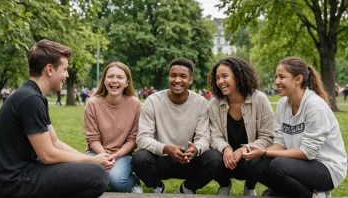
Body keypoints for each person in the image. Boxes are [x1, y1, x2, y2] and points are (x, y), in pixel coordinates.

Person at [0, 39, 114, 198]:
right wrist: (92, 161)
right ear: (49, 69)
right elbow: (48, 155)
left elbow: (55, 142)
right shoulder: (30, 99)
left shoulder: (35, 96)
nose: (67, 75)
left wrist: (89, 158)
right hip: (14, 182)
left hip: (23, 172)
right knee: (97, 176)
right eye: (65, 69)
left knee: (95, 172)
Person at [243, 57, 347, 198]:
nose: (277, 81)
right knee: (255, 164)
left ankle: (314, 195)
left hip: (327, 168)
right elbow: (280, 143)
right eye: (276, 77)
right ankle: (286, 192)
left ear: (298, 79)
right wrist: (259, 151)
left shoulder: (315, 106)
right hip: (300, 164)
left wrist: (266, 153)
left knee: (278, 166)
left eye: (282, 77)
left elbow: (307, 152)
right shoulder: (282, 105)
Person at [131, 58, 221, 194]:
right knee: (139, 158)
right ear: (169, 77)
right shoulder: (153, 101)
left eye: (183, 76)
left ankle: (188, 188)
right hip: (162, 157)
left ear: (190, 80)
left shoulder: (200, 102)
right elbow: (143, 138)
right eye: (173, 75)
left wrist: (196, 149)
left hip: (189, 159)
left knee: (215, 159)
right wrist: (166, 148)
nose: (177, 80)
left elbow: (204, 137)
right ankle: (157, 186)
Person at [208, 56, 274, 196]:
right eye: (217, 78)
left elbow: (268, 136)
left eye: (225, 76)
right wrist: (225, 148)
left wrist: (245, 149)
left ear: (238, 76)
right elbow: (214, 135)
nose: (220, 81)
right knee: (211, 157)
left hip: (249, 159)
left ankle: (250, 186)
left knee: (258, 159)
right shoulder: (214, 103)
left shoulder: (260, 99)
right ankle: (225, 184)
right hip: (225, 159)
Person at [84, 61, 143, 193]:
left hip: (122, 154)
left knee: (116, 180)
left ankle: (133, 184)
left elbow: (133, 139)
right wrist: (104, 156)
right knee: (94, 180)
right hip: (96, 152)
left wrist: (115, 156)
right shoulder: (93, 103)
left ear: (127, 82)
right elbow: (92, 138)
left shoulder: (134, 103)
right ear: (104, 80)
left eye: (119, 77)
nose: (114, 81)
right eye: (110, 76)